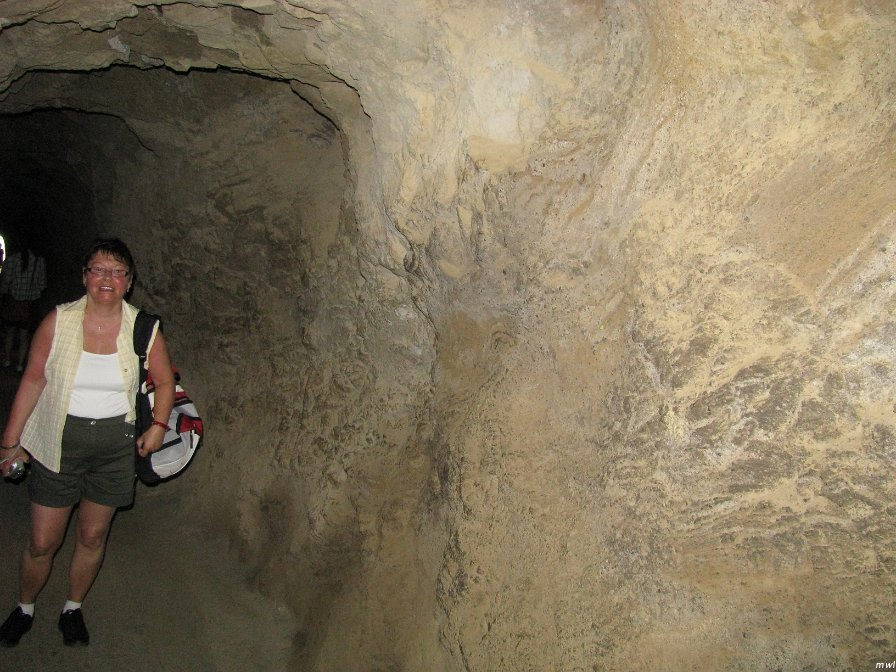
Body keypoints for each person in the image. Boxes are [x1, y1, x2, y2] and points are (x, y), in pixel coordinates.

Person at [0, 238, 175, 647]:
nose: (107, 278)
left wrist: (159, 426)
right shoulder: (59, 321)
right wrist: (10, 442)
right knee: (43, 542)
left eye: (118, 271)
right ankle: (25, 606)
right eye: (98, 269)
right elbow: (33, 379)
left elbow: (165, 381)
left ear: (129, 281)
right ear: (85, 276)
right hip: (61, 439)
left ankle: (73, 607)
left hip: (116, 445)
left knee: (93, 537)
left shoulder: (143, 328)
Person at [0, 241, 47, 372]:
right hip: (28, 305)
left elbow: (5, 282)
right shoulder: (39, 262)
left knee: (10, 332)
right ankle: (20, 364)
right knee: (24, 336)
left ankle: (7, 359)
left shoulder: (11, 260)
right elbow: (41, 285)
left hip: (13, 302)